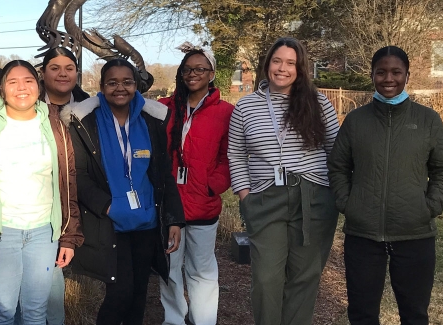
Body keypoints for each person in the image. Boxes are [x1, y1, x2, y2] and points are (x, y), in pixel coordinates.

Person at [328, 46, 443, 325]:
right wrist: (348, 203)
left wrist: (430, 207)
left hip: (415, 234)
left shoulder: (427, 120)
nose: (389, 78)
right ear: (372, 75)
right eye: (381, 72)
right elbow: (338, 166)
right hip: (363, 235)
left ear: (407, 75)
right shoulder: (356, 121)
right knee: (362, 314)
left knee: (414, 314)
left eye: (396, 72)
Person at [0, 60, 83, 325]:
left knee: (35, 313)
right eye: (13, 82)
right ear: (2, 89)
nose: (22, 87)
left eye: (28, 81)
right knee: (2, 312)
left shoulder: (55, 125)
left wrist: (69, 236)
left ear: (38, 86)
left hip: (44, 232)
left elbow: (68, 183)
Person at [226, 37, 340, 325]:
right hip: (265, 200)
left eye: (291, 63)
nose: (282, 68)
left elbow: (336, 152)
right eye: (277, 61)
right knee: (266, 279)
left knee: (304, 277)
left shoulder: (319, 103)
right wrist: (245, 197)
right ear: (267, 64)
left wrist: (332, 194)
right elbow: (236, 155)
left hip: (313, 198)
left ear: (300, 69)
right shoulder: (246, 107)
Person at [64, 58, 184, 325]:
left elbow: (164, 173)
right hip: (110, 222)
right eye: (113, 82)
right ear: (101, 86)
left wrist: (173, 218)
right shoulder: (84, 122)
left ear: (137, 85)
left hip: (146, 222)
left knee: (139, 294)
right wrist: (107, 206)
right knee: (119, 293)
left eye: (127, 82)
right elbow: (78, 175)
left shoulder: (152, 120)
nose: (121, 88)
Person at [12, 46, 90, 325]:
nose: (62, 73)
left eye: (69, 68)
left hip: (75, 201)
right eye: (54, 68)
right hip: (31, 207)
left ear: (77, 73)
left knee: (53, 275)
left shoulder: (88, 109)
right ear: (42, 73)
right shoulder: (21, 105)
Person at [157, 42, 234, 325]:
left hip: (203, 203)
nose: (193, 74)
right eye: (188, 69)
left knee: (202, 270)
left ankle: (203, 320)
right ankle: (175, 319)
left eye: (200, 69)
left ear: (212, 73)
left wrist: (212, 185)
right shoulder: (164, 108)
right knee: (171, 267)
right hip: (170, 204)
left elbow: (230, 156)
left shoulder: (226, 112)